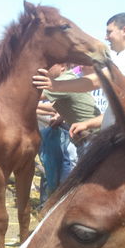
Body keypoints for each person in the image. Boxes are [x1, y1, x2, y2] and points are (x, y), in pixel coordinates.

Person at [32, 12, 125, 142]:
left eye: (109, 32)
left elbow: (98, 80)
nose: (106, 37)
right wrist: (87, 124)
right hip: (122, 137)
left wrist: (56, 85)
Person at [35, 63, 101, 202]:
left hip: (90, 138)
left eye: (51, 65)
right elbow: (70, 102)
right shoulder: (70, 79)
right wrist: (62, 117)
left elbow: (35, 96)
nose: (46, 68)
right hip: (90, 135)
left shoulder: (63, 81)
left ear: (63, 67)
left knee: (81, 181)